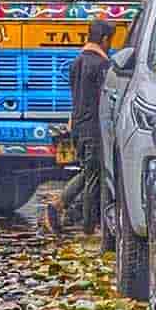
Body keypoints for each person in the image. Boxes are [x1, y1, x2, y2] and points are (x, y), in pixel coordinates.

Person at [45, 18, 115, 235]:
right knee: (94, 177)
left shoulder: (76, 63)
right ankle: (86, 226)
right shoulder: (102, 66)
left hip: (78, 126)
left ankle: (63, 207)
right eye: (110, 41)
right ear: (104, 39)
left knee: (89, 171)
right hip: (94, 128)